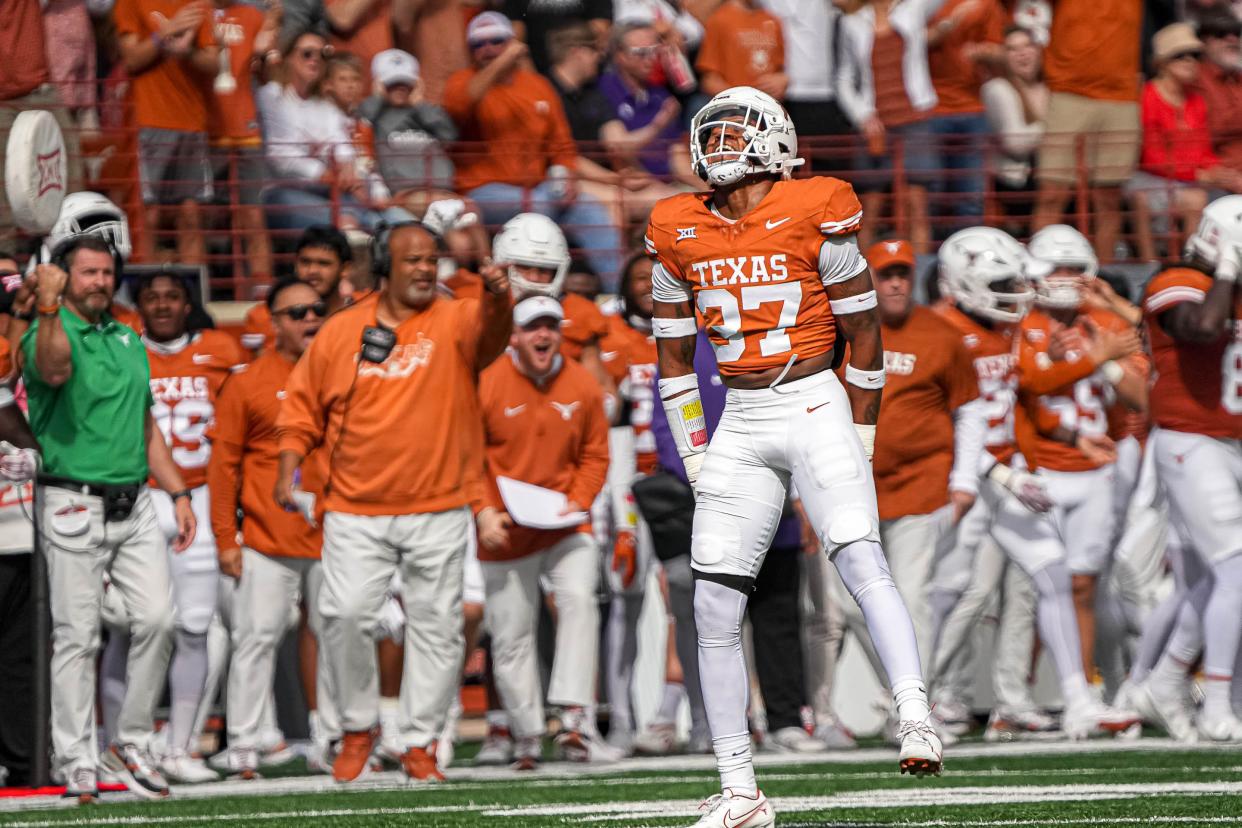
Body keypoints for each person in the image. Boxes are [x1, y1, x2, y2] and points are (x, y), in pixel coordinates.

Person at [647, 86, 940, 827]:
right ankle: (740, 791)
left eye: (736, 129)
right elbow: (674, 358)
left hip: (812, 400)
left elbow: (866, 339)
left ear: (776, 140)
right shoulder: (676, 226)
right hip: (741, 417)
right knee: (714, 601)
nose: (719, 142)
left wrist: (862, 433)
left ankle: (913, 713)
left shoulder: (819, 208)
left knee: (856, 553)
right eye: (710, 130)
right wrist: (694, 452)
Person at [275, 222, 512, 783]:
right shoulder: (340, 332)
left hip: (439, 504)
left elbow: (493, 339)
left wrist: (500, 297)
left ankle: (421, 740)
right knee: (345, 616)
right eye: (412, 261)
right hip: (355, 507)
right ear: (384, 266)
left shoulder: (456, 316)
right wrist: (289, 471)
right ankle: (359, 726)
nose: (426, 269)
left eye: (431, 259)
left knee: (437, 627)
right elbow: (302, 409)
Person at [928, 226, 1142, 742]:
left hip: (1007, 477)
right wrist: (1000, 471)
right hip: (964, 478)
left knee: (1052, 574)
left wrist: (1069, 434)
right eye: (1002, 281)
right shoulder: (938, 332)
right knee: (953, 593)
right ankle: (917, 700)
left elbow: (1026, 395)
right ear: (964, 282)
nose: (1016, 291)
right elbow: (942, 422)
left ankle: (1078, 700)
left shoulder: (1007, 328)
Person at [21, 235, 195, 802]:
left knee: (159, 620)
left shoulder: (127, 339)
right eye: (87, 272)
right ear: (64, 278)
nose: (98, 282)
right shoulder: (47, 329)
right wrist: (47, 306)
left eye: (105, 272)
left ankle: (132, 739)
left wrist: (181, 492)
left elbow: (146, 427)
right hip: (72, 499)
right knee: (78, 637)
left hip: (136, 500)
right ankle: (75, 757)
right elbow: (50, 372)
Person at [816, 239, 984, 687]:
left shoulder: (942, 334)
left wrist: (964, 480)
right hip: (849, 487)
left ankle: (917, 709)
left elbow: (968, 408)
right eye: (886, 273)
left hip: (919, 484)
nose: (894, 283)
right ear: (867, 276)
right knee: (850, 603)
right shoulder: (839, 328)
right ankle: (903, 693)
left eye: (902, 274)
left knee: (911, 597)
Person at [208, 276, 341, 776]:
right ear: (272, 322)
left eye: (316, 309)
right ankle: (244, 741)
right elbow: (223, 468)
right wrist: (226, 538)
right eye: (297, 312)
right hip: (266, 535)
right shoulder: (247, 381)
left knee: (336, 636)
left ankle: (332, 737)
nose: (310, 319)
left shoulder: (342, 375)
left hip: (334, 531)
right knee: (254, 638)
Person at [475, 295, 610, 769]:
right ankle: (526, 733)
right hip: (506, 527)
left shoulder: (582, 382)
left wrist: (581, 497)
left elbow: (596, 454)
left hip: (565, 522)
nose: (544, 335)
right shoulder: (486, 382)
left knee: (579, 600)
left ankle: (574, 720)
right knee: (510, 633)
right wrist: (483, 511)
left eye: (551, 326)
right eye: (534, 327)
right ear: (513, 335)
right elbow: (466, 455)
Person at [1133, 195, 1242, 742]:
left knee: (1210, 581)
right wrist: (1226, 268)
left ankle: (1168, 679)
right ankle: (1215, 699)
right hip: (1189, 439)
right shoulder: (1174, 277)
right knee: (1235, 569)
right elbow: (1201, 326)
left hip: (1232, 442)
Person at [1021, 225, 1149, 689]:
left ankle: (1091, 686)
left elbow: (1139, 399)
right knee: (1030, 590)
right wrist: (1086, 360)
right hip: (1036, 467)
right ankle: (1022, 692)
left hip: (1096, 469)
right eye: (1059, 268)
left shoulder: (1109, 325)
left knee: (1084, 584)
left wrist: (1107, 357)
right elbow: (1024, 392)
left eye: (1076, 268)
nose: (1067, 277)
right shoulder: (1018, 321)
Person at [130, 272, 246, 782]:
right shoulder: (124, 347)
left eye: (171, 296)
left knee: (194, 626)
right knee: (125, 628)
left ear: (187, 304)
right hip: (137, 494)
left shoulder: (221, 348)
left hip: (196, 495)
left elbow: (242, 420)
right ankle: (119, 741)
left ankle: (178, 746)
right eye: (151, 296)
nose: (161, 305)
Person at [443, 12, 624, 289]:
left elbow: (561, 144)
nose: (488, 49)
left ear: (510, 42)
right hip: (482, 190)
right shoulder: (461, 82)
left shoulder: (536, 85)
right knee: (538, 206)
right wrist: (504, 59)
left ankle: (617, 294)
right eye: (479, 44)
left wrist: (565, 173)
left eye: (496, 41)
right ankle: (532, 289)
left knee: (590, 210)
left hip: (539, 187)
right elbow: (461, 106)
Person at [258, 30, 413, 234]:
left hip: (333, 192)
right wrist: (326, 174)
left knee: (403, 223)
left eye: (322, 55)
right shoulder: (273, 95)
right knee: (351, 219)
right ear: (288, 57)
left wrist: (349, 171)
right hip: (283, 192)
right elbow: (282, 158)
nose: (315, 60)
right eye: (307, 54)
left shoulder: (325, 106)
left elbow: (342, 147)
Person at [1031, 0, 1141, 259]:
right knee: (1052, 193)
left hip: (1121, 95)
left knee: (1109, 197)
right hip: (1068, 91)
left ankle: (1104, 276)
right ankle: (1040, 269)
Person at [114, 0, 219, 265]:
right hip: (149, 120)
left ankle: (196, 296)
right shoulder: (129, 3)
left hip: (193, 122)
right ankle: (145, 290)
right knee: (148, 215)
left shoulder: (198, 5)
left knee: (191, 214)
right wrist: (166, 32)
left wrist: (186, 52)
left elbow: (213, 63)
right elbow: (131, 59)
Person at [1128, 24, 1242, 260]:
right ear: (1163, 62)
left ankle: (1204, 260)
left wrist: (1221, 172)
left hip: (1186, 176)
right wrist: (1199, 175)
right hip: (1153, 176)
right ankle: (1173, 262)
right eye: (1181, 56)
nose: (1190, 61)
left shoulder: (1195, 100)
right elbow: (1152, 157)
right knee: (1195, 198)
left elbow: (1202, 150)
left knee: (1222, 191)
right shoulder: (1148, 96)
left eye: (1195, 55)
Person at [835, 0, 941, 253]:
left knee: (917, 206)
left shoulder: (913, 9)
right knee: (870, 208)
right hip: (875, 125)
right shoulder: (852, 22)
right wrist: (863, 116)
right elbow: (843, 78)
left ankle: (917, 280)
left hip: (914, 119)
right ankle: (863, 281)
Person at [208, 0, 280, 289]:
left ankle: (262, 288)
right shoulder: (195, 12)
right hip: (205, 128)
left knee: (252, 212)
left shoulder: (254, 16)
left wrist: (264, 56)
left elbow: (266, 76)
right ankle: (200, 286)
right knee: (201, 215)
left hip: (246, 126)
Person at [925, 0, 1005, 224]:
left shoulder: (986, 5)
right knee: (929, 193)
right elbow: (902, 41)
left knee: (972, 194)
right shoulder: (919, 4)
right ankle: (926, 255)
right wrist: (942, 30)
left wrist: (982, 51)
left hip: (972, 108)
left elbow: (1000, 50)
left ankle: (968, 252)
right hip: (929, 109)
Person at [0, 335, 38, 787]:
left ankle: (24, 757)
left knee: (18, 656)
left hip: (17, 532)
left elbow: (27, 443)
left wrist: (29, 454)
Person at [359, 49, 460, 218]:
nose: (400, 89)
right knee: (451, 218)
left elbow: (450, 136)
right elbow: (361, 121)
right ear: (380, 86)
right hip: (406, 194)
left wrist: (420, 104)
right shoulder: (375, 115)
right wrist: (378, 98)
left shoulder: (427, 112)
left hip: (442, 190)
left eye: (405, 83)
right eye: (392, 84)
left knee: (472, 216)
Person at [241, 226, 356, 353]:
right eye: (305, 262)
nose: (312, 271)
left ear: (345, 269)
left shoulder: (364, 312)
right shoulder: (263, 316)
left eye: (323, 263)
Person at [981, 26, 1047, 230]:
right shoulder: (997, 89)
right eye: (1012, 49)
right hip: (1014, 180)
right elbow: (1015, 142)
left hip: (1047, 174)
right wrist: (1055, 129)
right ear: (1004, 57)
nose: (1022, 53)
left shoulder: (1049, 87)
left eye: (1028, 45)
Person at [695, 0, 786, 99]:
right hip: (734, 109)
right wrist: (744, 99)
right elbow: (709, 81)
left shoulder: (772, 20)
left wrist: (782, 80)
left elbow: (781, 70)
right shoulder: (718, 20)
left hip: (769, 106)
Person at [502, 0, 614, 74]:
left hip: (579, 75)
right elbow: (515, 41)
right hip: (533, 72)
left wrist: (564, 76)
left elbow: (599, 32)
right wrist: (534, 82)